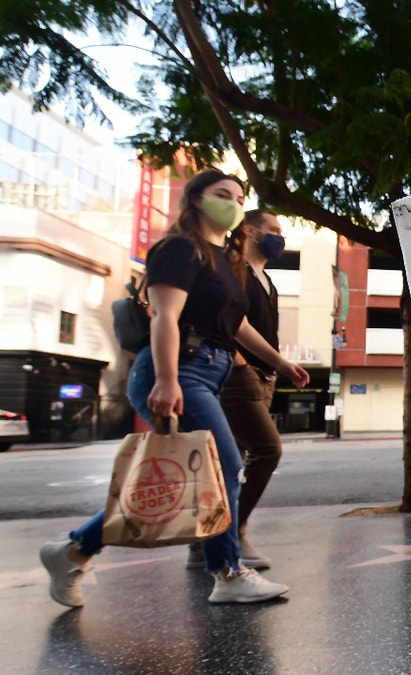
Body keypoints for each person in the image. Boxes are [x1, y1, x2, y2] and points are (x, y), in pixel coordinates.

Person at [39, 170, 309, 607]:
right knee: (224, 468)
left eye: (239, 197)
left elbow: (235, 324)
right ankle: (227, 571)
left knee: (172, 480)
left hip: (209, 370)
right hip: (179, 368)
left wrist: (280, 361)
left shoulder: (226, 258)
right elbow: (164, 317)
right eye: (223, 194)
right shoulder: (179, 249)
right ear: (197, 199)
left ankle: (72, 550)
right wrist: (166, 380)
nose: (234, 203)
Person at [185, 208, 285, 570]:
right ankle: (234, 533)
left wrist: (278, 364)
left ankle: (206, 543)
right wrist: (239, 363)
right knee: (267, 449)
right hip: (237, 375)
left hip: (262, 375)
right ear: (250, 231)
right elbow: (230, 323)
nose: (278, 236)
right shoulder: (231, 269)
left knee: (230, 461)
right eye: (272, 229)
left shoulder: (266, 279)